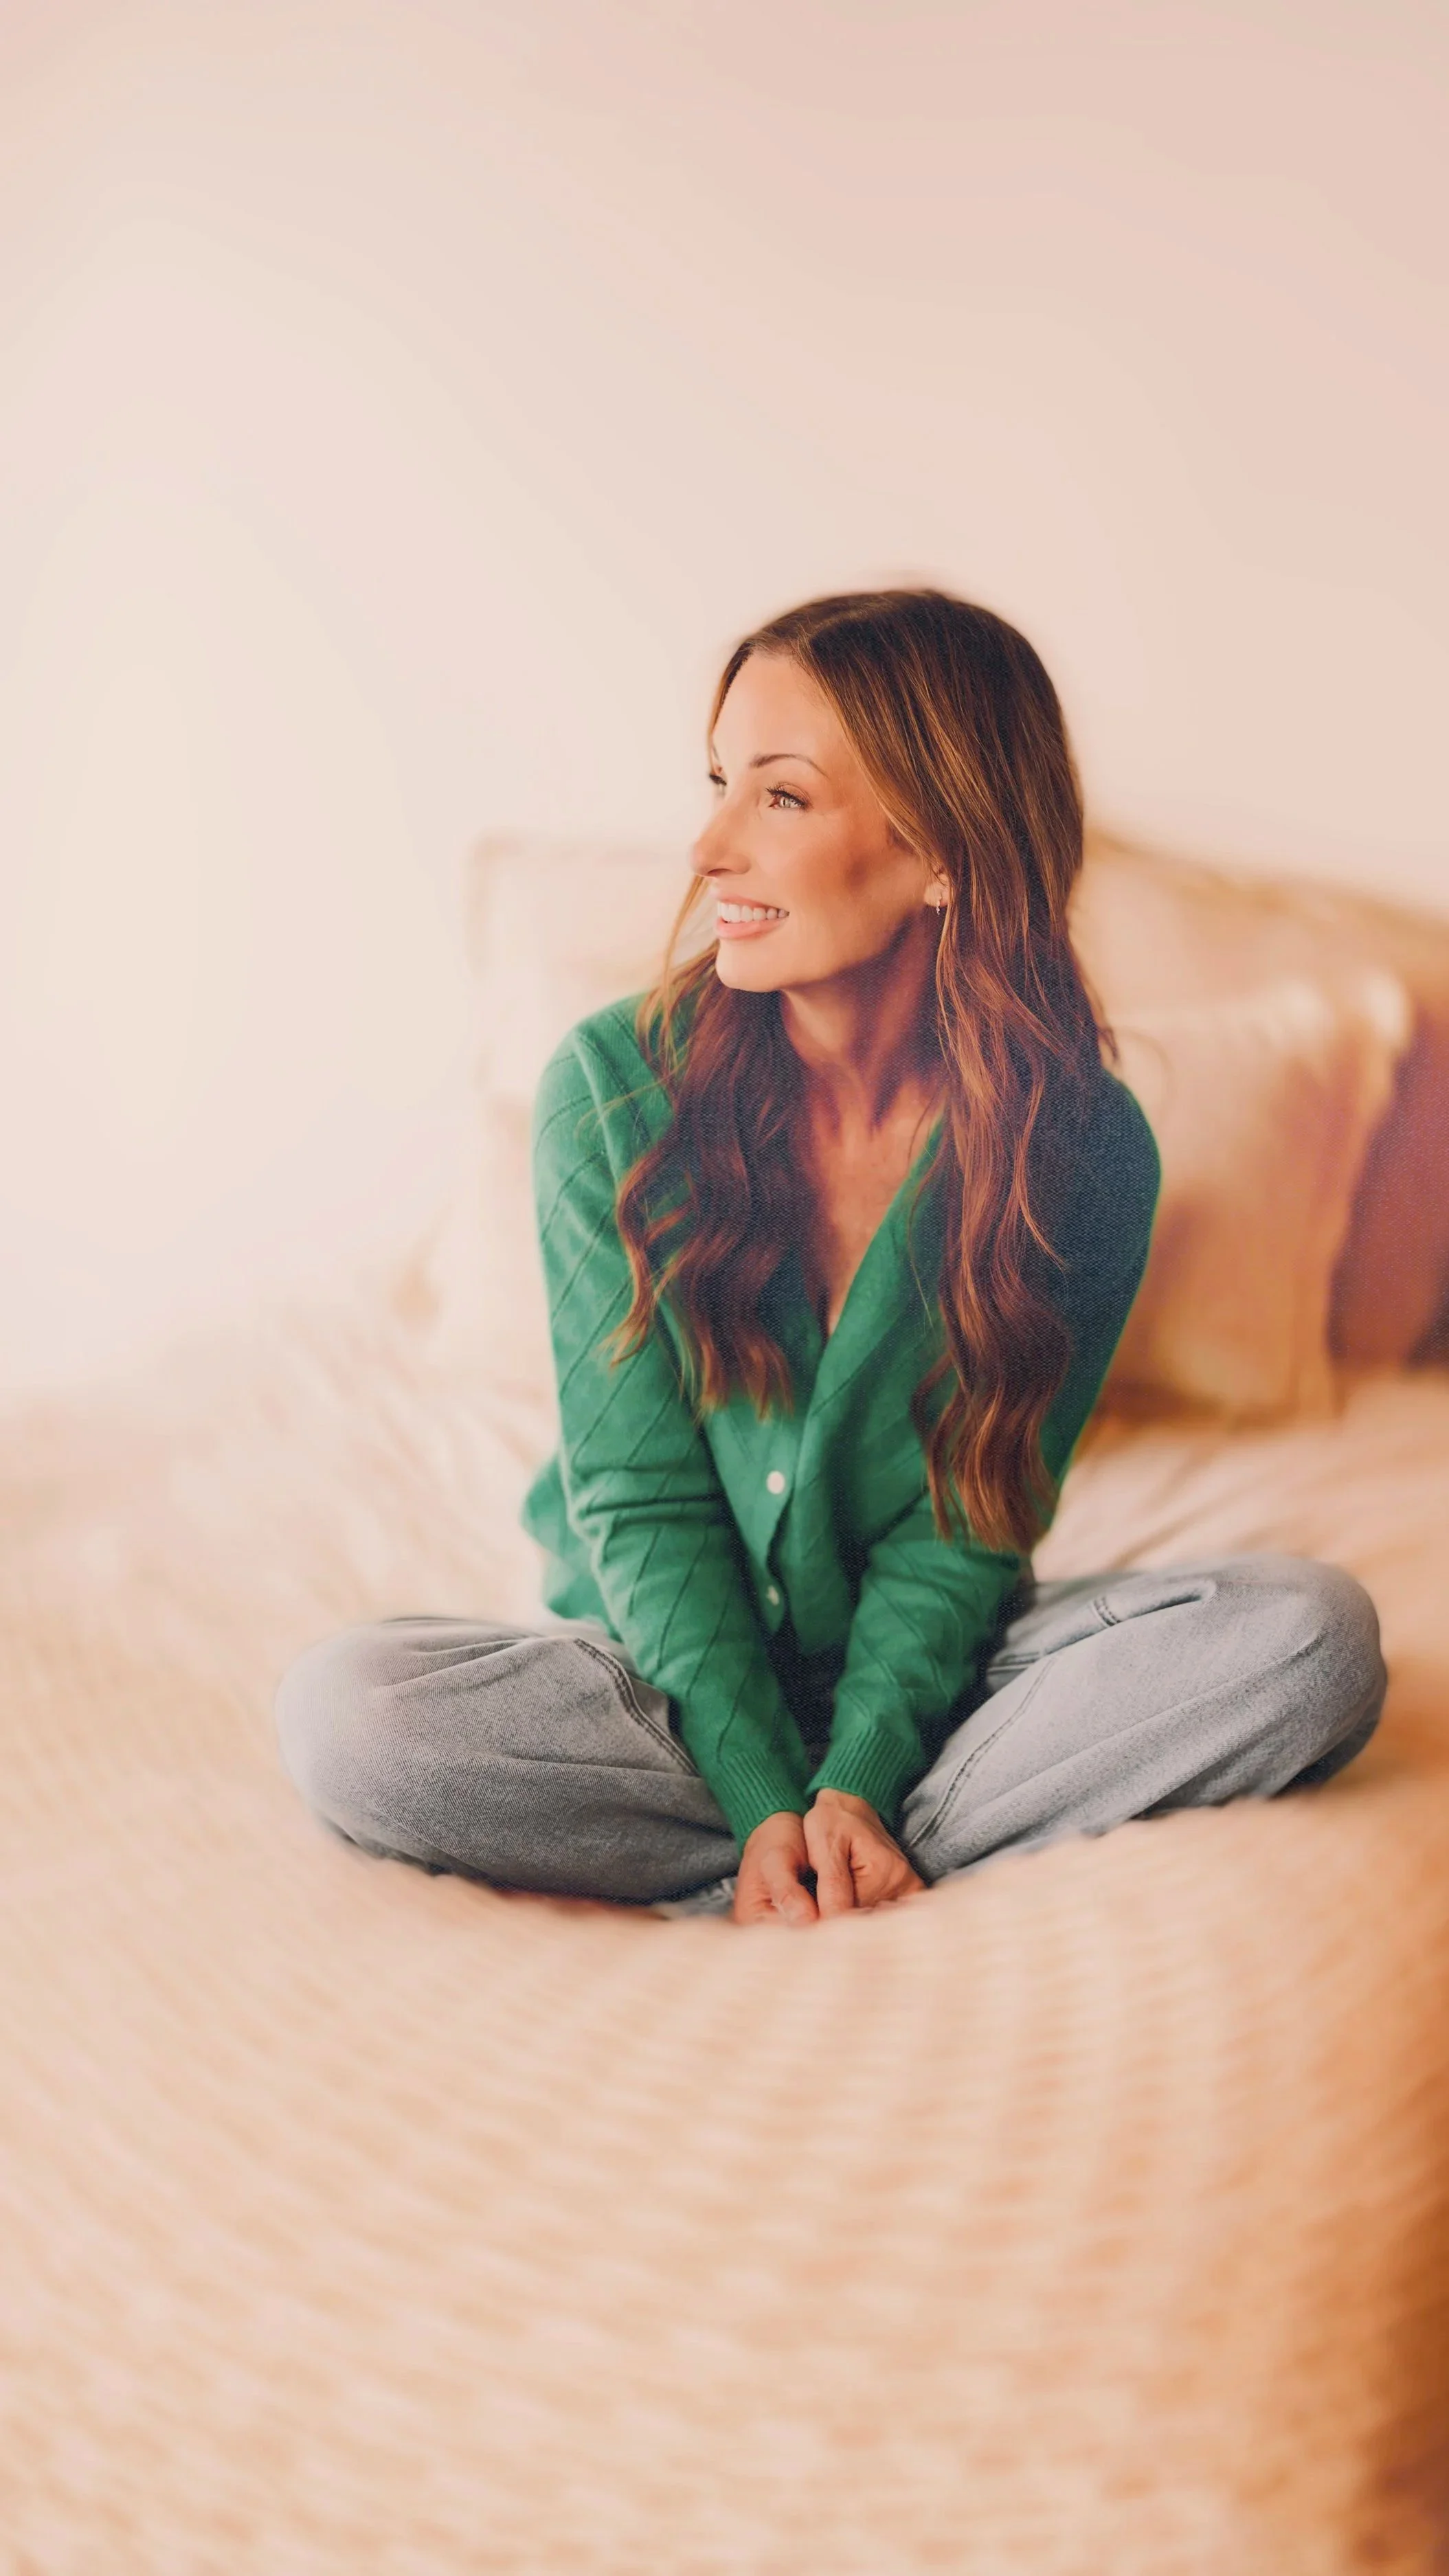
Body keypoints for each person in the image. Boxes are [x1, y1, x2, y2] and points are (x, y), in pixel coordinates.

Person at [274, 587, 1387, 1928]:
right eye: (719, 785)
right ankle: (840, 1845)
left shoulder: (1086, 1152)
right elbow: (639, 1500)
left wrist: (857, 1769)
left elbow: (971, 1521)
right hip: (654, 1672)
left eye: (781, 798)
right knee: (353, 1716)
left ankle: (848, 1833)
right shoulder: (612, 1089)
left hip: (932, 1671)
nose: (708, 846)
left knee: (1309, 1643)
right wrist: (757, 1793)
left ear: (943, 849)